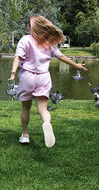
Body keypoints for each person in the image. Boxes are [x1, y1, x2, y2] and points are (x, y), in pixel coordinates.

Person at [8, 15, 88, 148]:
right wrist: (76, 66)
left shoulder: (25, 40)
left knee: (26, 107)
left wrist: (13, 72)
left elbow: (18, 56)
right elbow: (61, 56)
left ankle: (25, 135)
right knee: (43, 108)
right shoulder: (48, 42)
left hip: (28, 76)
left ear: (31, 26)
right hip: (43, 77)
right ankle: (46, 122)